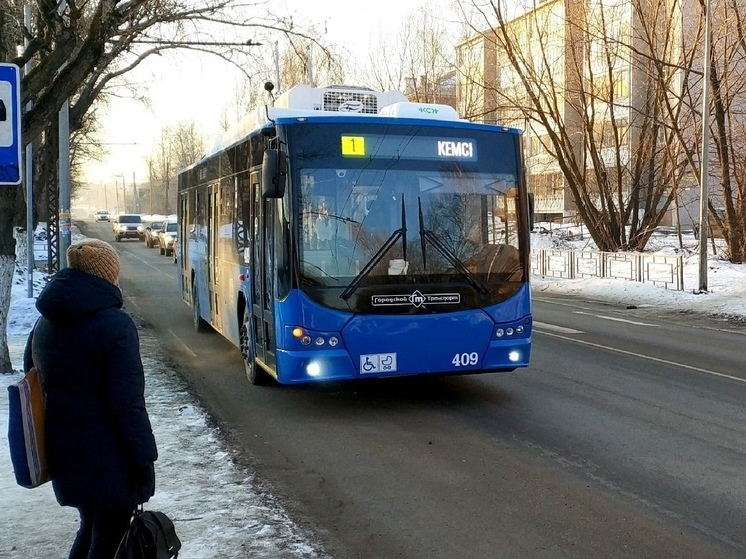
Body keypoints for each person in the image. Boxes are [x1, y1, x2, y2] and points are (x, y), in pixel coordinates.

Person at [23, 239, 158, 559]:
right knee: (108, 539)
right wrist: (143, 458)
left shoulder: (45, 323)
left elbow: (33, 377)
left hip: (65, 453)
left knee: (91, 527)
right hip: (110, 459)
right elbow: (128, 404)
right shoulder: (116, 327)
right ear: (106, 276)